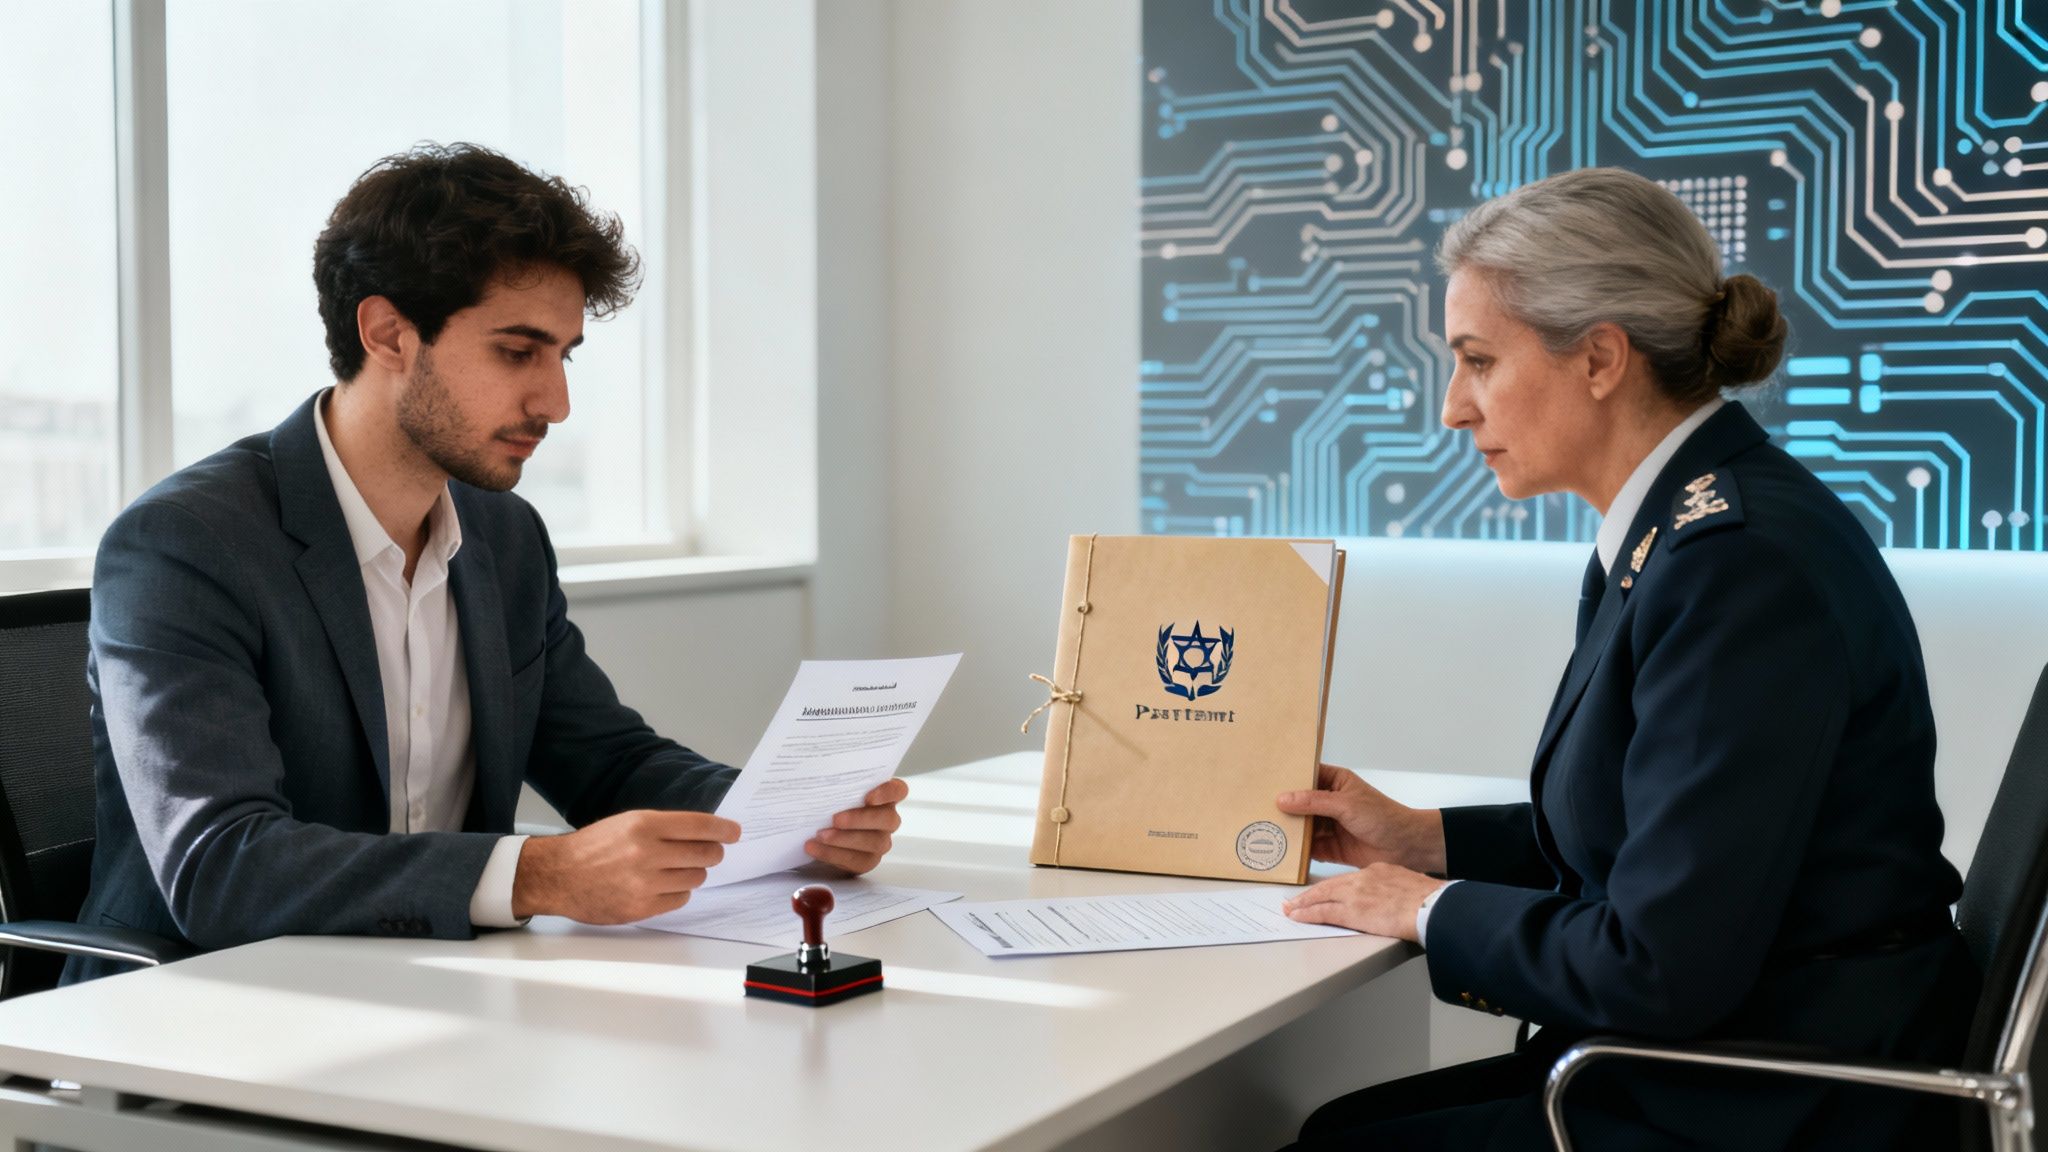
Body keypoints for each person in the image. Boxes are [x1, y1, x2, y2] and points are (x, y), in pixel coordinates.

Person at [66, 143, 907, 984]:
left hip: (432, 992)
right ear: (388, 333)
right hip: (195, 1015)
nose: (557, 403)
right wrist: (540, 874)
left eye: (564, 355)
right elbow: (222, 866)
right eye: (517, 351)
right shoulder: (185, 544)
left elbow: (608, 763)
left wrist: (788, 820)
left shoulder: (503, 537)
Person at [1272, 167, 1976, 1150]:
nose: (1452, 409)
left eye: (1477, 360)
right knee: (1333, 1129)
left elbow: (1657, 961)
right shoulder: (1684, 529)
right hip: (1734, 1055)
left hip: (1771, 1099)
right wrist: (1419, 839)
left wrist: (1427, 909)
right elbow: (1657, 832)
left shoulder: (1734, 565)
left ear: (1598, 358)